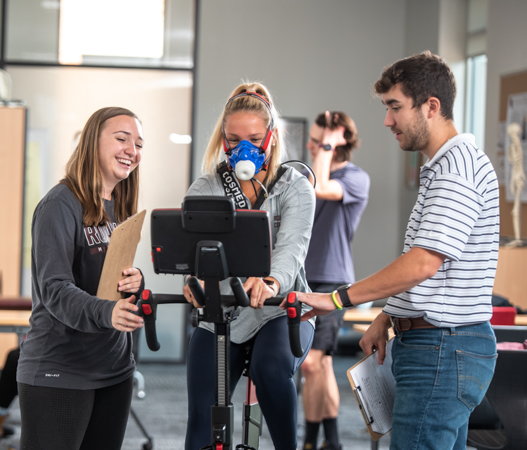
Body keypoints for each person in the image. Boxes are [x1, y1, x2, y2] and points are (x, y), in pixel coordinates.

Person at [295, 51, 499, 450]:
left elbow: (423, 263)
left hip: (442, 347)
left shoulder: (456, 171)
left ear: (431, 107)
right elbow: (437, 271)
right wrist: (388, 317)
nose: (387, 120)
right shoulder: (444, 167)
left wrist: (336, 298)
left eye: (395, 107)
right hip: (438, 344)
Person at [183, 82, 316, 450]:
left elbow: (292, 249)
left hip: (278, 311)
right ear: (222, 140)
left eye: (254, 137)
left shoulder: (295, 188)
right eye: (233, 137)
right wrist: (191, 277)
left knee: (269, 370)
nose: (244, 148)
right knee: (202, 412)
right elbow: (195, 250)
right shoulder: (206, 188)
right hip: (222, 310)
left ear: (271, 138)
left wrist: (271, 282)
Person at [17, 107, 146, 450]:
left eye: (138, 144)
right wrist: (107, 312)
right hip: (60, 369)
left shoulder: (119, 205)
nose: (131, 150)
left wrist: (135, 281)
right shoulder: (60, 204)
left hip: (114, 368)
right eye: (121, 139)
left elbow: (103, 277)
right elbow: (54, 289)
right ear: (92, 142)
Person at [299, 111, 370, 450]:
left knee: (312, 363)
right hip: (302, 277)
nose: (312, 146)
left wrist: (326, 144)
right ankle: (331, 441)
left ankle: (313, 441)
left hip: (332, 281)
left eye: (319, 140)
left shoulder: (356, 178)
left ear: (338, 141)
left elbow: (323, 186)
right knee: (320, 365)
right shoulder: (306, 176)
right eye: (314, 140)